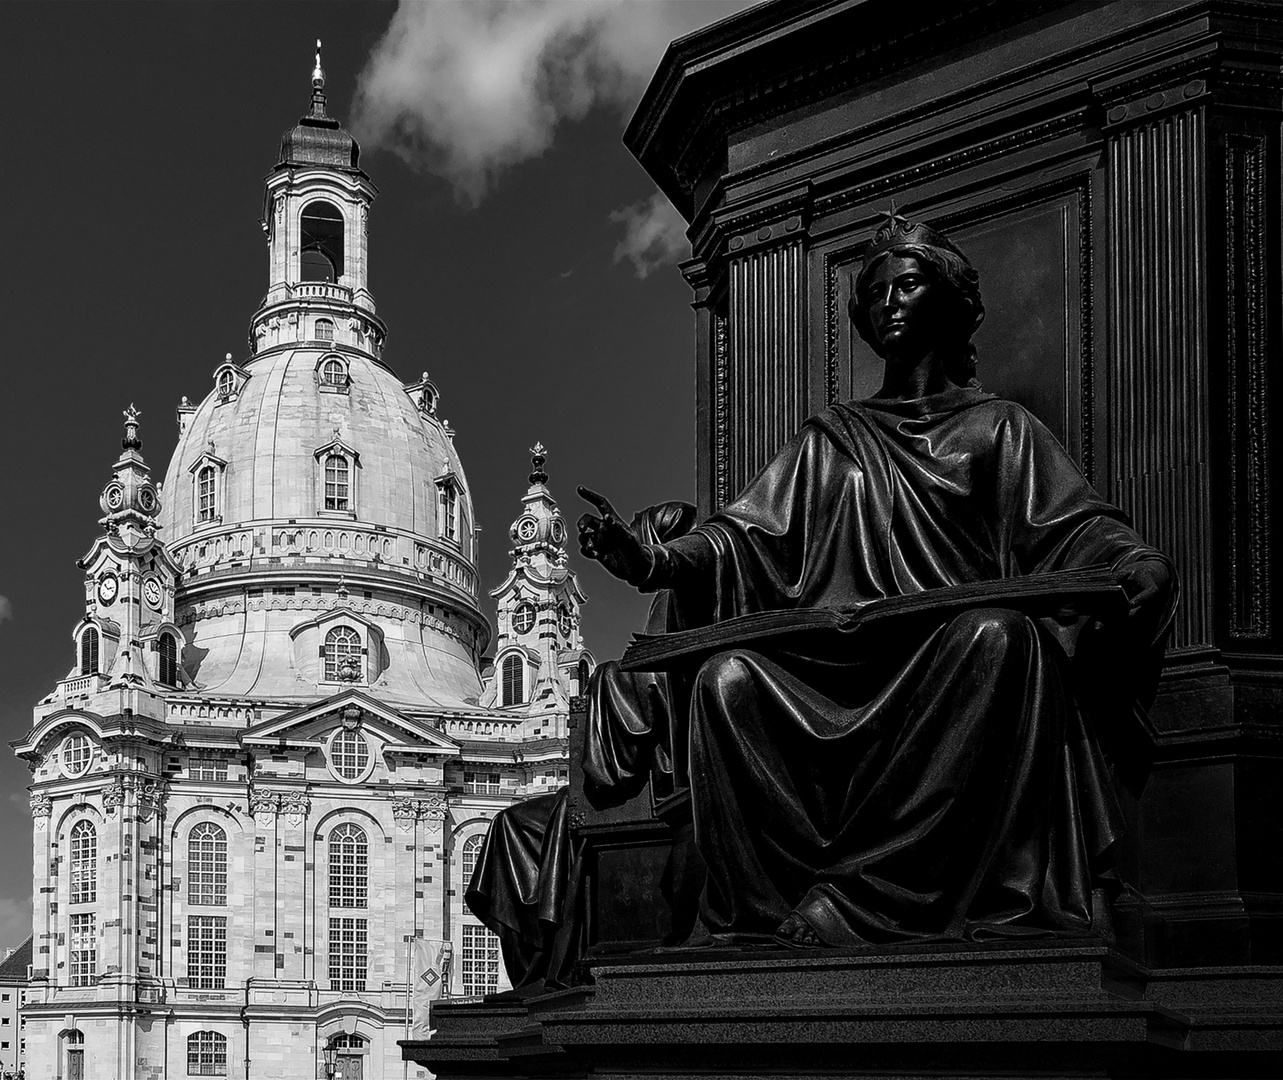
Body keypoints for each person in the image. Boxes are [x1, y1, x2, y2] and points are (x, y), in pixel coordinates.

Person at [575, 212, 1177, 948]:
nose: (888, 302)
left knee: (996, 639)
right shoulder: (830, 439)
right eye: (875, 293)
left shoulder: (1000, 429)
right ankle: (764, 916)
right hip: (839, 662)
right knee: (725, 680)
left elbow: (1075, 527)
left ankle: (865, 903)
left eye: (909, 284)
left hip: (944, 661)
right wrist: (650, 562)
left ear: (952, 305)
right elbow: (739, 537)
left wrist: (1132, 562)